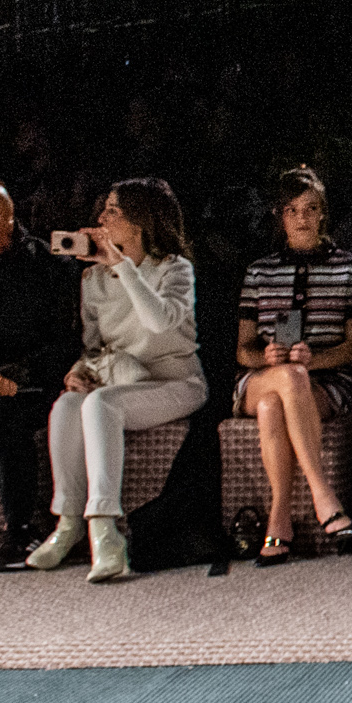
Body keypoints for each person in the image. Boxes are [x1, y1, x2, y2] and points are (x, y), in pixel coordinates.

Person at [25, 179, 210, 582]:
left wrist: (122, 265)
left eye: (114, 210)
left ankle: (104, 529)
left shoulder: (174, 269)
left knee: (101, 403)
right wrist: (80, 369)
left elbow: (159, 321)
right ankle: (68, 521)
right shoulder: (93, 279)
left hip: (175, 382)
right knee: (68, 404)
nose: (102, 218)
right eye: (104, 209)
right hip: (120, 377)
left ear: (140, 222)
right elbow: (94, 345)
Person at [234, 168, 352, 563]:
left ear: (323, 213)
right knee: (283, 381)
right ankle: (323, 496)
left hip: (327, 380)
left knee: (272, 406)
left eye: (310, 209)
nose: (302, 218)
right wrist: (266, 357)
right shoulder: (260, 271)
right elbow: (243, 350)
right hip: (265, 376)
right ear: (280, 216)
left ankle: (279, 520)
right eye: (292, 210)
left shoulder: (351, 268)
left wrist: (316, 359)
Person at [0, 181, 82, 568]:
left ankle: (22, 531)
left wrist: (18, 373)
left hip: (27, 389)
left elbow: (69, 342)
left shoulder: (47, 268)